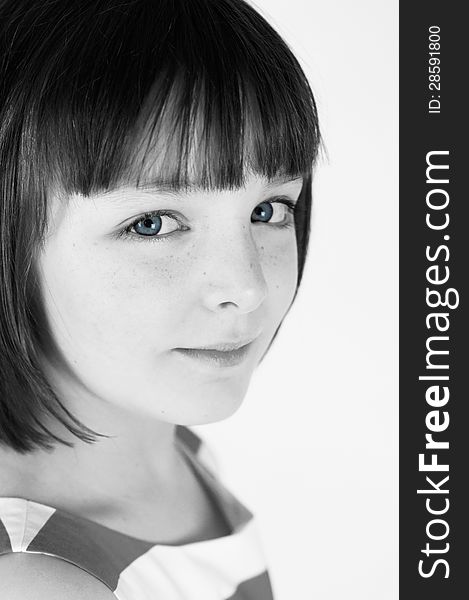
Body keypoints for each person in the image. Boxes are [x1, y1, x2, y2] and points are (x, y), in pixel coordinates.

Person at [0, 0, 320, 597]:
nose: (246, 287)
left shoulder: (170, 443)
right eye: (152, 223)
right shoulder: (40, 580)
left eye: (267, 210)